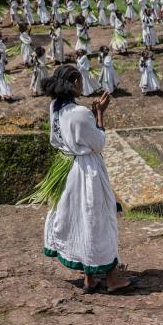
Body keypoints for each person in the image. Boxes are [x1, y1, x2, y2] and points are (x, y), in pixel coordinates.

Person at [41, 65, 132, 293]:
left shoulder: (55, 108)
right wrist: (100, 114)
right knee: (96, 219)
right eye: (80, 81)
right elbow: (98, 143)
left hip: (68, 169)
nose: (83, 85)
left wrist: (91, 116)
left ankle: (90, 279)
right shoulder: (80, 113)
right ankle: (112, 279)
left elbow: (61, 137)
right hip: (86, 171)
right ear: (74, 83)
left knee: (80, 219)